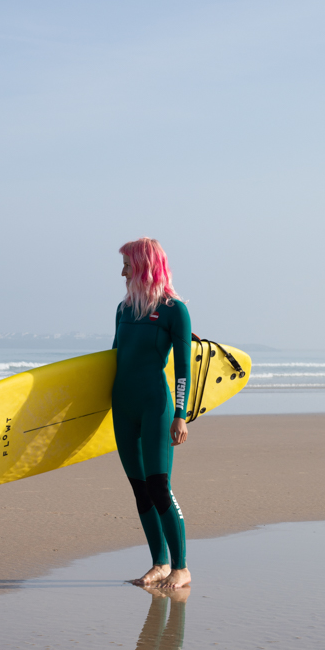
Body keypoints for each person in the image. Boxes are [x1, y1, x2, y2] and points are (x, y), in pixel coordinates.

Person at [112, 237, 192, 589]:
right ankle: (159, 563)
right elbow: (114, 360)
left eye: (127, 264)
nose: (122, 271)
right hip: (122, 406)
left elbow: (182, 368)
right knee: (139, 489)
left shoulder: (175, 310)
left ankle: (181, 567)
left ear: (142, 264)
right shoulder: (123, 309)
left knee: (159, 486)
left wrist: (180, 413)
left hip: (155, 406)